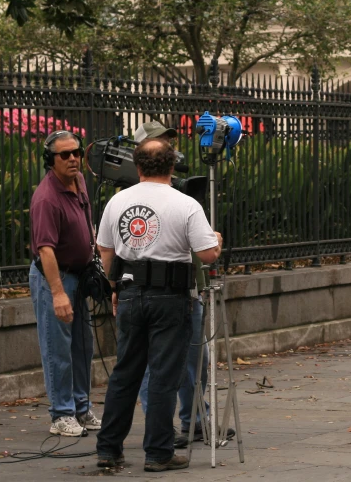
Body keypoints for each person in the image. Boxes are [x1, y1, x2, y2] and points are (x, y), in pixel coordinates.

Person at [95, 139, 222, 472]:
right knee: (165, 375)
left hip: (130, 292)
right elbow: (207, 254)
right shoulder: (185, 204)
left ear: (137, 167)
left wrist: (113, 287)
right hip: (170, 296)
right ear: (171, 166)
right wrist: (217, 242)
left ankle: (108, 449)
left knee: (125, 373)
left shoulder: (117, 201)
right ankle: (158, 452)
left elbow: (105, 248)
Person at [132, 120, 233, 448]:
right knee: (155, 366)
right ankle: (160, 428)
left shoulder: (181, 193)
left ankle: (196, 420)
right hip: (158, 292)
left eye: (170, 144)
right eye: (162, 144)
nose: (170, 150)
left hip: (189, 287)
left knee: (197, 361)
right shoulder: (134, 197)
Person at [29, 130, 102, 437]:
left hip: (79, 275)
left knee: (82, 346)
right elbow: (45, 249)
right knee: (58, 347)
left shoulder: (79, 181)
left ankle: (81, 408)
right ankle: (61, 414)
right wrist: (58, 293)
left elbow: (86, 221)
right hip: (54, 279)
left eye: (76, 153)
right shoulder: (46, 198)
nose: (73, 159)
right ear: (51, 160)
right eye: (65, 155)